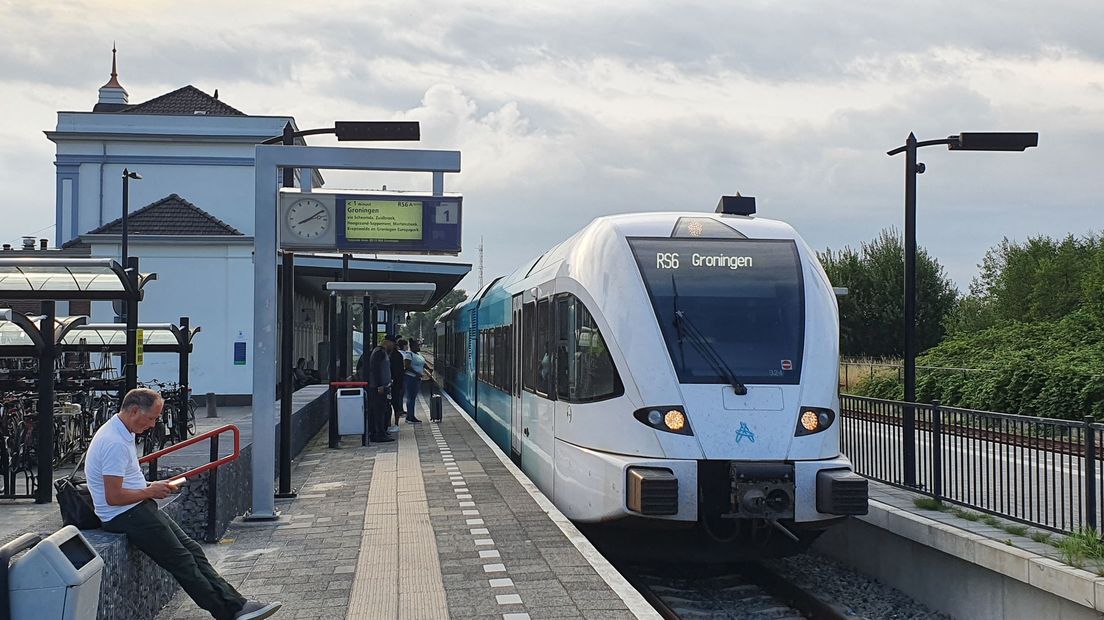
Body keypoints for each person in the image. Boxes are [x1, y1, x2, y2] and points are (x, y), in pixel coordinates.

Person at [86, 388, 281, 620]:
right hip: (125, 514)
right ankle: (229, 611)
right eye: (152, 418)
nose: (153, 424)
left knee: (193, 551)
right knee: (182, 561)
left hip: (135, 509)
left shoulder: (121, 432)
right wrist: (150, 490)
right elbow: (113, 496)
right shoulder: (114, 442)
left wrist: (151, 485)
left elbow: (124, 481)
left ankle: (237, 604)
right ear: (134, 410)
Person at [365, 335, 396, 442]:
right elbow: (375, 369)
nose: (393, 346)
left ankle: (380, 431)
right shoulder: (379, 353)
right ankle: (378, 434)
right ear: (387, 342)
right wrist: (379, 385)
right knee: (379, 411)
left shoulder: (382, 352)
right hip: (378, 387)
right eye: (392, 344)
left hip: (381, 386)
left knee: (382, 410)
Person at [404, 342, 426, 424]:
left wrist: (428, 368)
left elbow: (422, 363)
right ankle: (410, 417)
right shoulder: (408, 355)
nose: (419, 347)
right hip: (410, 378)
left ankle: (411, 415)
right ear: (412, 347)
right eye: (417, 345)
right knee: (410, 398)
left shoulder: (419, 354)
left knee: (413, 398)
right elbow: (407, 366)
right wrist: (416, 373)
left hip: (417, 379)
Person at [389, 338, 408, 430]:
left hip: (392, 383)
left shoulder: (390, 355)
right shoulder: (398, 355)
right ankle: (395, 424)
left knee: (391, 405)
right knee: (395, 404)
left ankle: (391, 424)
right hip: (395, 383)